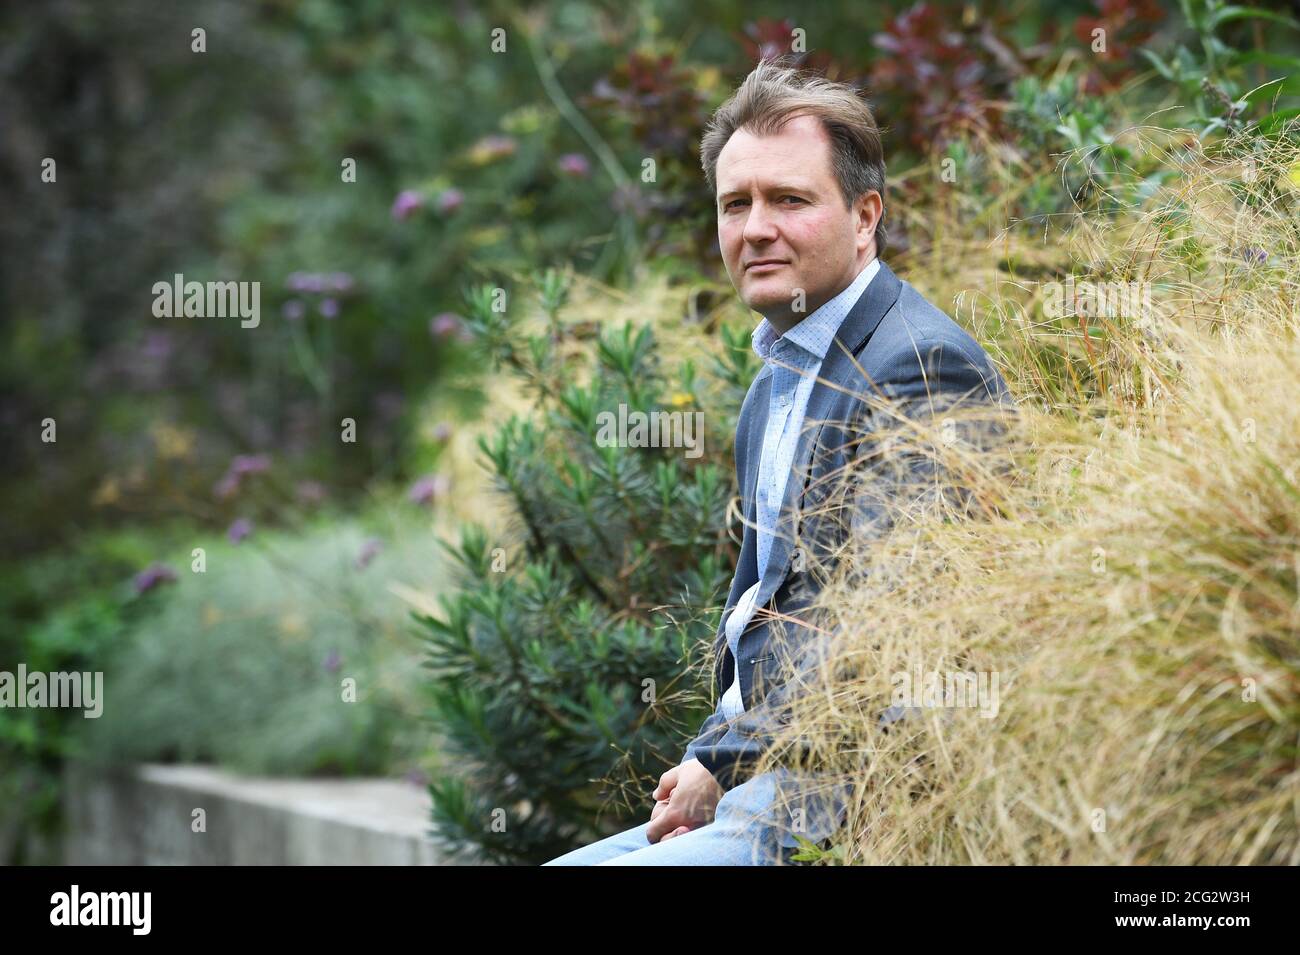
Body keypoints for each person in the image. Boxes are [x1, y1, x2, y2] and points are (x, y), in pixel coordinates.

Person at [544, 57, 1011, 866]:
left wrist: (722, 762)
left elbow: (878, 627)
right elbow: (764, 607)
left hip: (861, 796)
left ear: (865, 216)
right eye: (736, 204)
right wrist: (710, 755)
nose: (755, 227)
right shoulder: (777, 382)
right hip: (767, 780)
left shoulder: (920, 367)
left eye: (788, 199)